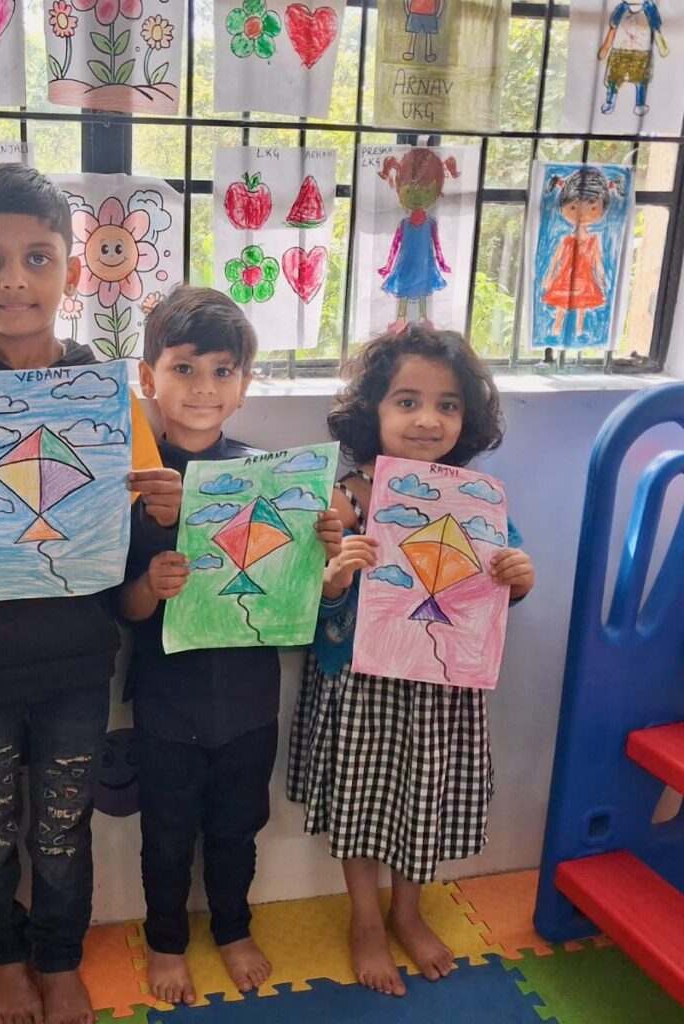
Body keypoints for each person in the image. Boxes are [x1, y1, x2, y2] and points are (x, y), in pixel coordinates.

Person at [0, 162, 177, 1024]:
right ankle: (3, 956)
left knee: (60, 828)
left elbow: (133, 534)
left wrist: (162, 510)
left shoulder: (103, 393)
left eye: (38, 258)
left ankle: (58, 958)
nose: (13, 279)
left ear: (72, 271)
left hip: (78, 661)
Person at [287, 325, 534, 998]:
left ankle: (407, 910)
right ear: (372, 409)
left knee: (421, 800)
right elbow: (310, 597)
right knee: (359, 802)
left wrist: (518, 577)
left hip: (440, 687)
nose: (428, 419)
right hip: (359, 681)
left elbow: (497, 587)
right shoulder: (345, 496)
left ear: (466, 417)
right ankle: (366, 919)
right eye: (407, 401)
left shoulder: (476, 497)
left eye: (447, 405)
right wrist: (338, 573)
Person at [120, 286, 343, 1006]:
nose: (203, 387)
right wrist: (151, 584)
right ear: (148, 376)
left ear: (244, 384)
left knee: (237, 826)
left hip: (248, 701)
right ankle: (164, 940)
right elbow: (121, 609)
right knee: (166, 833)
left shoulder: (270, 477)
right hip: (166, 704)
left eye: (222, 371)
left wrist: (325, 555)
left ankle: (233, 926)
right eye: (184, 368)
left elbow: (303, 600)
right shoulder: (134, 481)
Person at [377, 149, 460, 333]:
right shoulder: (404, 224)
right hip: (406, 264)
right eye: (410, 190)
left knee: (422, 290)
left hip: (424, 264)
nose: (417, 196)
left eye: (426, 190)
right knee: (404, 291)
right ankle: (401, 319)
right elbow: (394, 247)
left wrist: (442, 264)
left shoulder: (430, 224)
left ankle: (423, 318)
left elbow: (437, 246)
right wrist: (388, 267)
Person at [540, 168, 627, 341]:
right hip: (565, 278)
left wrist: (601, 277)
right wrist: (549, 276)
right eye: (573, 207)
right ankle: (556, 331)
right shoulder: (566, 240)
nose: (582, 214)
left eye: (592, 208)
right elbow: (555, 259)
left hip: (585, 279)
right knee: (561, 306)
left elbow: (598, 261)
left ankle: (579, 333)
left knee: (581, 308)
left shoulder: (593, 241)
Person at [598, 0, 669, 117]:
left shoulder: (649, 7)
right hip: (620, 50)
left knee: (641, 80)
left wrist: (662, 47)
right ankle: (610, 102)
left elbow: (656, 29)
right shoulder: (621, 8)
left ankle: (640, 104)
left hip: (642, 53)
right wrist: (605, 48)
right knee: (614, 79)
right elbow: (613, 29)